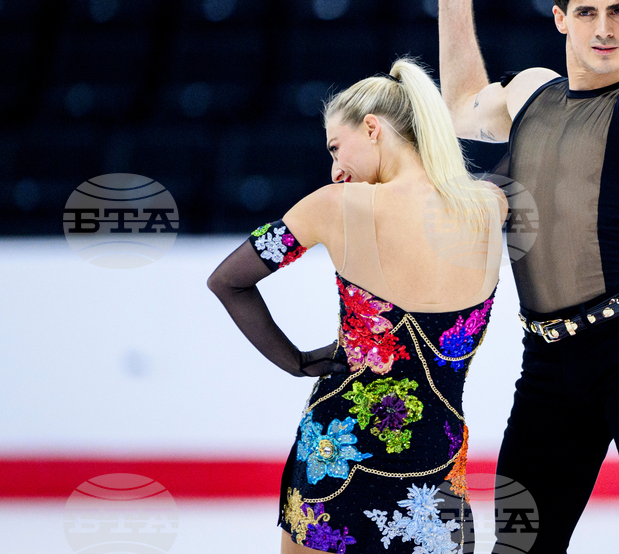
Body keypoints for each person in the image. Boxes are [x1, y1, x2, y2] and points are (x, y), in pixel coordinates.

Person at [402, 0, 619, 553]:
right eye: (587, 12)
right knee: (520, 546)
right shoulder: (531, 92)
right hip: (548, 362)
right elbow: (460, 106)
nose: (604, 28)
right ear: (561, 18)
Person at [207, 57, 509, 554]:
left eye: (335, 147)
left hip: (335, 457)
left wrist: (296, 361)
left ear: (372, 128)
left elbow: (227, 281)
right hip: (435, 470)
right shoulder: (490, 205)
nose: (335, 168)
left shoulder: (335, 205)